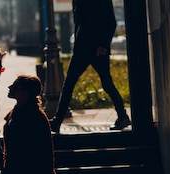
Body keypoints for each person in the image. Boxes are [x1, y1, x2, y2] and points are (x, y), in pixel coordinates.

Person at [49, 0, 131, 133]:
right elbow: (79, 24)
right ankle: (57, 121)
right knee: (69, 84)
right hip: (82, 48)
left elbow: (111, 22)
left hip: (97, 50)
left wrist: (103, 45)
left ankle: (122, 116)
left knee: (106, 84)